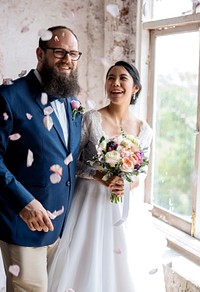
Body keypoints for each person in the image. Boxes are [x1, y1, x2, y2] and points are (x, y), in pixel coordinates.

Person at [48, 61, 154, 292]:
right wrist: (98, 175)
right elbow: (71, 162)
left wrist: (127, 184)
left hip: (123, 207)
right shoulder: (90, 119)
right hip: (87, 203)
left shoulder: (144, 129)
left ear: (135, 87)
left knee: (123, 267)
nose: (115, 83)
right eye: (110, 78)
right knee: (84, 262)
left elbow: (143, 171)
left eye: (122, 78)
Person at [0, 25, 84, 292]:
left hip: (63, 227)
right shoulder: (8, 97)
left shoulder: (73, 102)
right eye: (59, 52)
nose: (67, 60)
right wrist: (25, 203)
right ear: (40, 53)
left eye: (73, 54)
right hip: (23, 225)